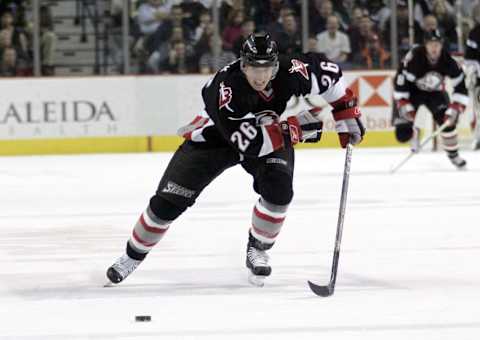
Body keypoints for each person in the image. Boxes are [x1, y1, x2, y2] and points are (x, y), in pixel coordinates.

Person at [105, 33, 365, 286]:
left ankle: (258, 248)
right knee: (167, 204)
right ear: (243, 65)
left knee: (279, 190)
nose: (260, 76)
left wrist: (345, 109)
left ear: (275, 66)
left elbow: (330, 75)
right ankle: (131, 256)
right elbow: (250, 145)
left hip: (267, 132)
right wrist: (292, 130)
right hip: (216, 137)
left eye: (266, 68)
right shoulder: (226, 89)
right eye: (254, 68)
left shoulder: (292, 70)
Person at [392, 29, 468, 168]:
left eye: (437, 44)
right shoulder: (413, 58)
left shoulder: (448, 60)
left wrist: (456, 107)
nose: (434, 47)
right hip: (412, 91)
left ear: (442, 45)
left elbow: (461, 86)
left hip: (435, 93)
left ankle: (454, 156)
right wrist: (404, 104)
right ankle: (414, 131)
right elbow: (400, 81)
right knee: (402, 134)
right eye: (431, 44)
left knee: (448, 122)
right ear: (425, 45)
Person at [463, 6, 480, 150]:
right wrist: (473, 71)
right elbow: (469, 59)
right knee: (479, 110)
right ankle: (479, 137)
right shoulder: (475, 33)